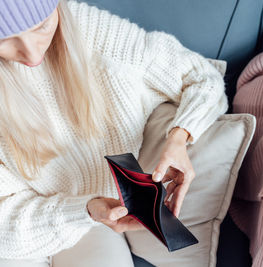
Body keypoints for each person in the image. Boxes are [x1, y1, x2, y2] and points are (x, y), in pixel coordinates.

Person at [0, 0, 228, 266]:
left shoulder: (93, 31)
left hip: (91, 221)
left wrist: (179, 138)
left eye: (41, 26)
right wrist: (79, 211)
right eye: (5, 39)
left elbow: (201, 78)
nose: (32, 55)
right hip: (18, 229)